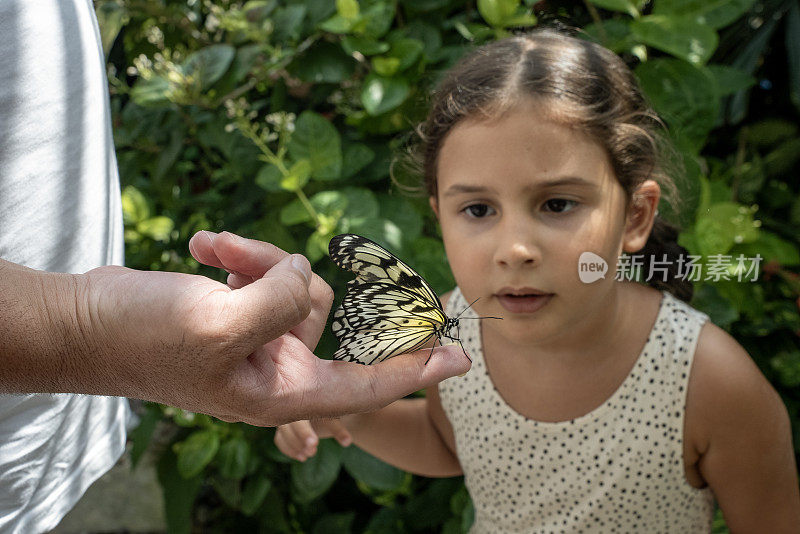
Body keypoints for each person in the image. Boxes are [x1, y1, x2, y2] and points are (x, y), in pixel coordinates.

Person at [275, 30, 800, 532]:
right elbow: (448, 442)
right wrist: (350, 414)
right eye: (478, 209)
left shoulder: (711, 381)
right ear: (440, 217)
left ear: (636, 216)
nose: (515, 250)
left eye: (557, 204)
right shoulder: (452, 327)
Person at [0, 1, 469, 532]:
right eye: (477, 210)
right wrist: (80, 327)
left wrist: (81, 329)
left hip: (52, 437)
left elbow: (448, 445)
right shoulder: (451, 314)